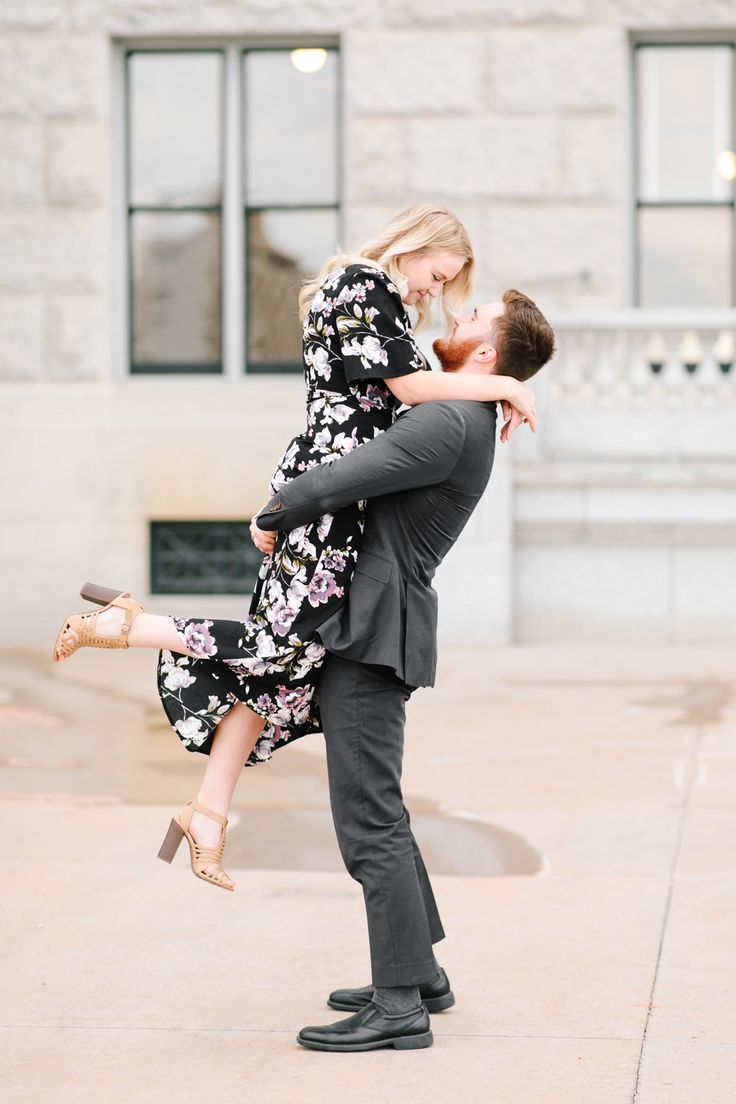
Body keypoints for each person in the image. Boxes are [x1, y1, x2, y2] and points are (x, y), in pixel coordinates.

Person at [52, 206, 537, 893]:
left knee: (284, 670)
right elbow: (407, 389)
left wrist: (496, 386)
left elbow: (408, 393)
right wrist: (505, 384)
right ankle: (130, 624)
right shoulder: (363, 286)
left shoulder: (380, 298)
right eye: (437, 275)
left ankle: (208, 814)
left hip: (334, 496)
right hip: (326, 499)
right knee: (282, 649)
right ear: (416, 246)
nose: (435, 292)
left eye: (447, 285)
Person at [249, 288, 555, 1051]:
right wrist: (503, 387)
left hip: (375, 633)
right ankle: (418, 974)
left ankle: (398, 1008)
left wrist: (274, 510)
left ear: (487, 353)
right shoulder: (467, 409)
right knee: (380, 807)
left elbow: (351, 472)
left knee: (368, 820)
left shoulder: (449, 420)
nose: (456, 318)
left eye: (472, 318)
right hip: (380, 625)